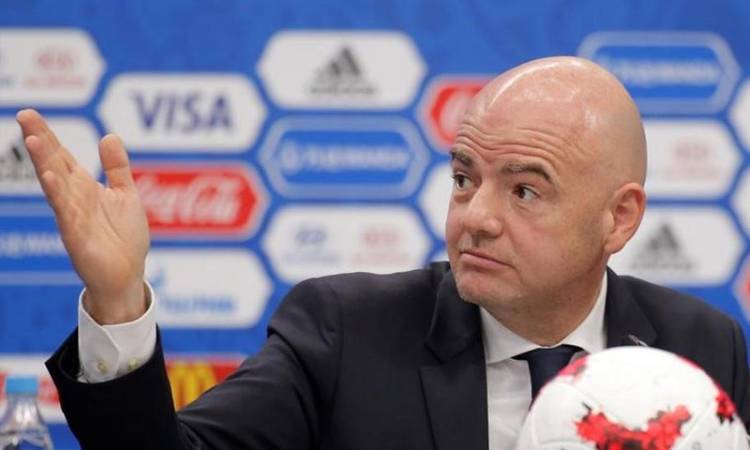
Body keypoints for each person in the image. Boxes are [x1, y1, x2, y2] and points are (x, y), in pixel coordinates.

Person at [16, 56, 750, 450]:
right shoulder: (346, 332)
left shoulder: (698, 347)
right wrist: (118, 299)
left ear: (619, 218)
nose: (476, 217)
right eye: (464, 179)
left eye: (525, 190)